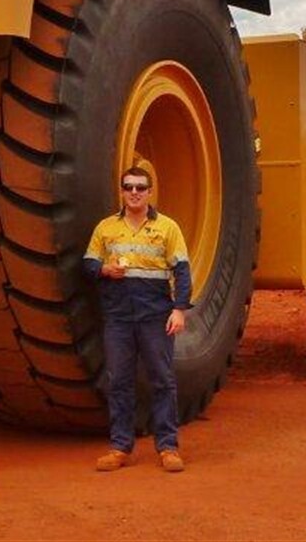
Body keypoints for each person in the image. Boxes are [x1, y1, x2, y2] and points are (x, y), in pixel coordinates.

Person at [82, 165, 192, 473]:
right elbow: (89, 263)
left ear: (149, 192)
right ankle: (120, 447)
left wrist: (179, 310)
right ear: (122, 191)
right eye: (128, 187)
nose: (134, 192)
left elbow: (182, 270)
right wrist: (105, 270)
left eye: (140, 187)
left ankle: (168, 447)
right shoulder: (105, 228)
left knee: (162, 380)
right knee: (119, 381)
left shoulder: (168, 228)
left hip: (155, 315)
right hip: (118, 317)